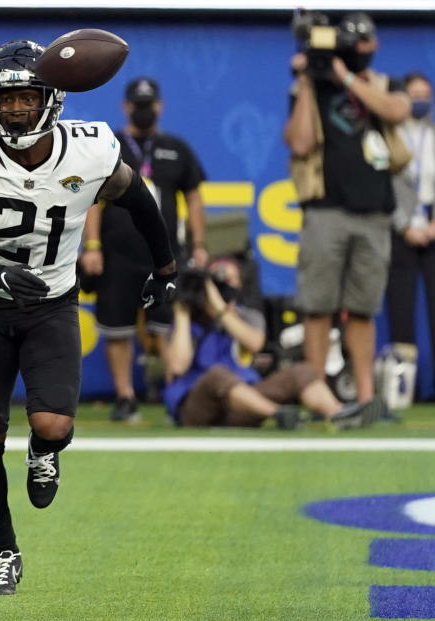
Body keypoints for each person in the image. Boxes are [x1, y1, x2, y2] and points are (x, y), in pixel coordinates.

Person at [0, 40, 176, 595]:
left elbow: (139, 200)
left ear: (52, 98)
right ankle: (4, 552)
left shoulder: (89, 150)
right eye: (8, 98)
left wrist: (165, 267)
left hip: (52, 303)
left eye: (27, 97)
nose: (17, 109)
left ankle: (44, 455)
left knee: (53, 425)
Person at [284, 12, 410, 404]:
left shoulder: (385, 84)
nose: (363, 49)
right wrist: (306, 83)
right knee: (317, 307)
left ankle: (366, 398)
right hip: (326, 211)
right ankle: (320, 397)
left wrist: (346, 77)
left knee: (362, 309)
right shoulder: (311, 87)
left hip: (374, 212)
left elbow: (396, 111)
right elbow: (300, 143)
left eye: (367, 42)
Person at [80, 76, 208, 422]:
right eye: (137, 106)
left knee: (165, 327)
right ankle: (125, 397)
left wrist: (198, 245)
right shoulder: (110, 146)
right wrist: (91, 246)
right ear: (125, 108)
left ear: (160, 107)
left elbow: (194, 198)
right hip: (117, 253)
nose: (143, 112)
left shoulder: (176, 149)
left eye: (148, 106)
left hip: (163, 254)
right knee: (117, 328)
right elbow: (91, 199)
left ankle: (175, 396)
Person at [163, 261, 382, 428]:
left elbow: (255, 342)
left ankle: (339, 414)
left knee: (301, 371)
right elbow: (178, 366)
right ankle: (279, 414)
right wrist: (182, 311)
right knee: (217, 374)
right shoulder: (181, 323)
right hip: (197, 407)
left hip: (242, 403)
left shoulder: (239, 314)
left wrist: (219, 309)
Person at [386, 71, 435, 394]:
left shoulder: (432, 134)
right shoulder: (390, 135)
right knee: (401, 310)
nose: (420, 101)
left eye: (425, 95)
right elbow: (382, 185)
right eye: (414, 95)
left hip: (431, 224)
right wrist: (403, 225)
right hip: (399, 227)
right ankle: (405, 388)